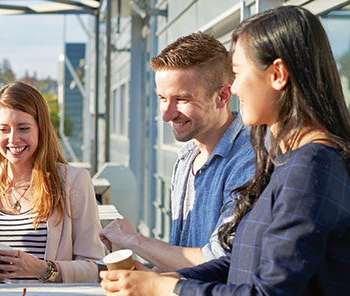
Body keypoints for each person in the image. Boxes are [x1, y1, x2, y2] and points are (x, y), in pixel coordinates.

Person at [100, 6, 350, 296]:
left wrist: (165, 290)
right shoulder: (291, 161)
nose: (233, 89)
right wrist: (164, 279)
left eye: (237, 73)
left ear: (278, 75)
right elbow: (242, 262)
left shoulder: (312, 169)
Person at [99, 32, 254, 271]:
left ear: (223, 96)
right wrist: (149, 275)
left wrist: (134, 240)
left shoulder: (249, 160)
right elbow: (183, 267)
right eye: (162, 98)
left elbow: (221, 262)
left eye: (181, 100)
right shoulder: (186, 157)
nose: (166, 114)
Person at [0, 81, 104, 283]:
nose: (13, 139)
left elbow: (94, 267)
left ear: (41, 130)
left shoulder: (74, 182)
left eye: (23, 128)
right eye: (4, 129)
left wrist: (42, 269)